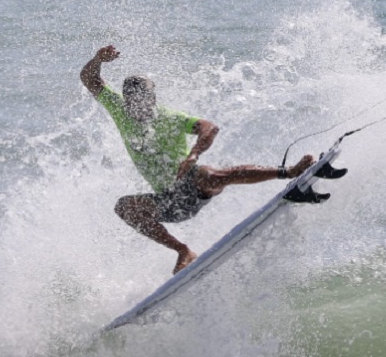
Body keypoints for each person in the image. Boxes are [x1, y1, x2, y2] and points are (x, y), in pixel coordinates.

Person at [80, 45, 314, 274]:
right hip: (168, 201)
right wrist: (98, 59)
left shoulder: (168, 117)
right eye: (133, 102)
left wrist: (193, 155)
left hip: (192, 188)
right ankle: (183, 251)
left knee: (207, 174)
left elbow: (209, 128)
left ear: (152, 99)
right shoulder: (119, 108)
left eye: (144, 100)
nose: (139, 106)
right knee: (125, 207)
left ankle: (288, 172)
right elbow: (89, 78)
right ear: (126, 100)